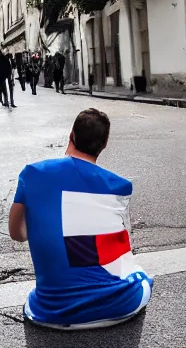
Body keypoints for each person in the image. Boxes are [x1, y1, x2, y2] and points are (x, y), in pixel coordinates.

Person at [9, 109, 153, 329]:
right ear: (103, 145)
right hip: (118, 307)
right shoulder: (119, 186)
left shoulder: (32, 173)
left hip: (49, 313)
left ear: (71, 135)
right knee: (141, 276)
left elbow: (17, 234)